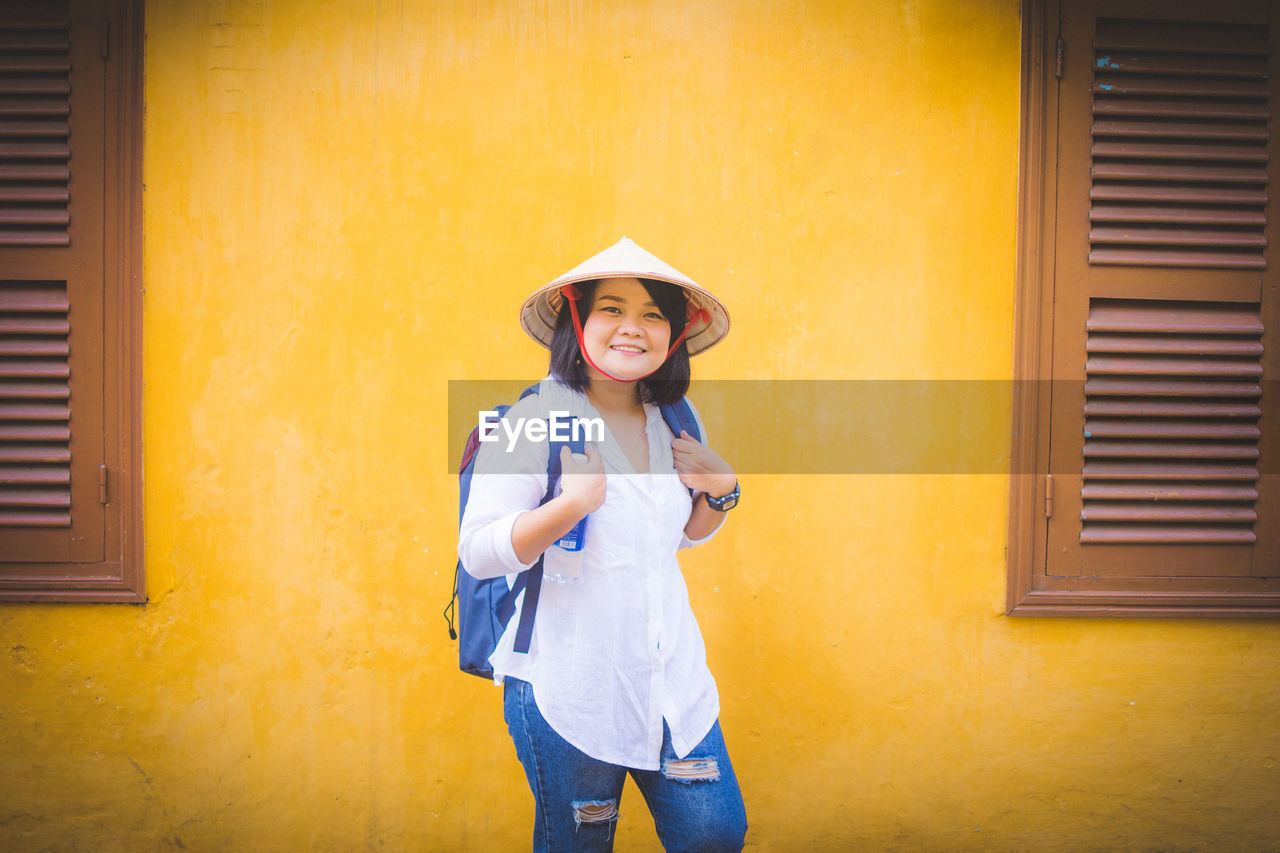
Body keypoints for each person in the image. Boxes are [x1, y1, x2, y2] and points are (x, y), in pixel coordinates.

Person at [458, 237, 747, 852]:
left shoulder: (675, 416)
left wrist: (721, 492)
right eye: (612, 309)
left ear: (673, 333)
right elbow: (479, 550)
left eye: (652, 314)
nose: (632, 328)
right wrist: (570, 507)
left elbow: (677, 539)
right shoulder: (537, 420)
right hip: (571, 690)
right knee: (580, 845)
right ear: (578, 320)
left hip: (673, 686)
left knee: (715, 834)